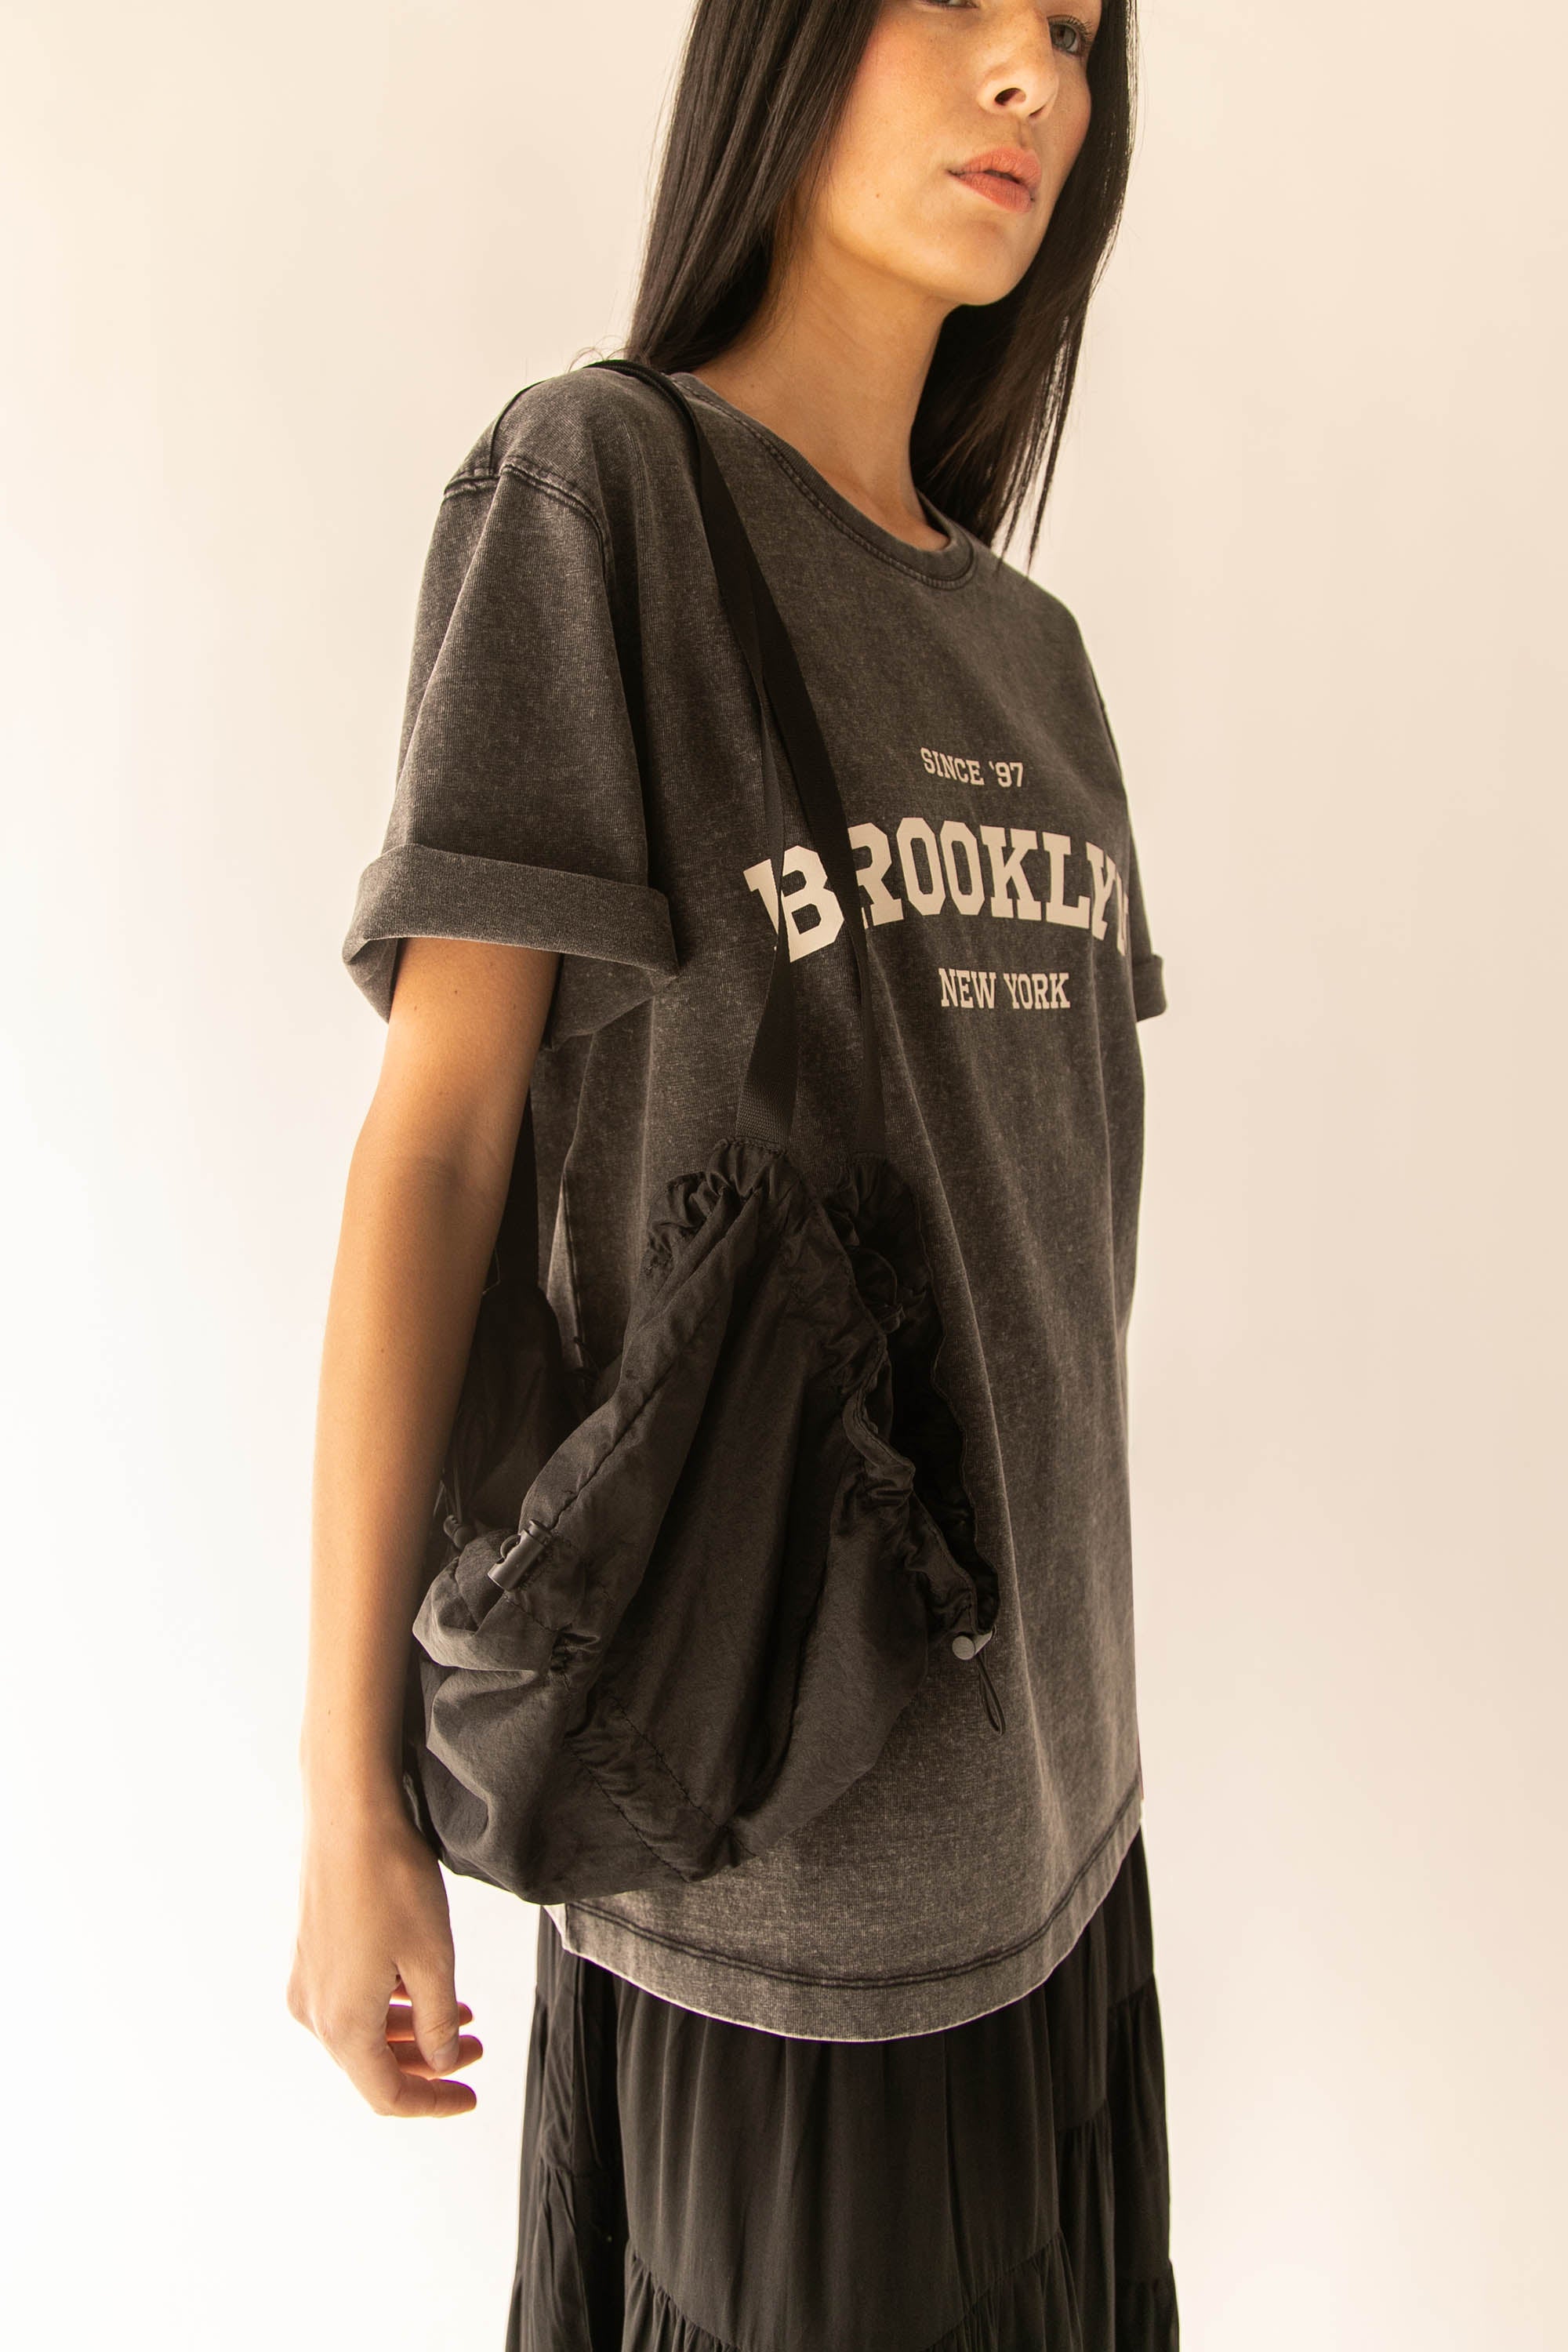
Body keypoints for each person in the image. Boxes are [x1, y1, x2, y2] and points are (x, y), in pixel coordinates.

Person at [288, 0, 1178, 2343]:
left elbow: (1054, 1241)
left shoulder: (1039, 660)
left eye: (1077, 33)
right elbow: (440, 1145)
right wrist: (350, 1794)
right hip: (773, 1874)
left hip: (1072, 1835)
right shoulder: (603, 495)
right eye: (963, 4)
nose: (1034, 79)